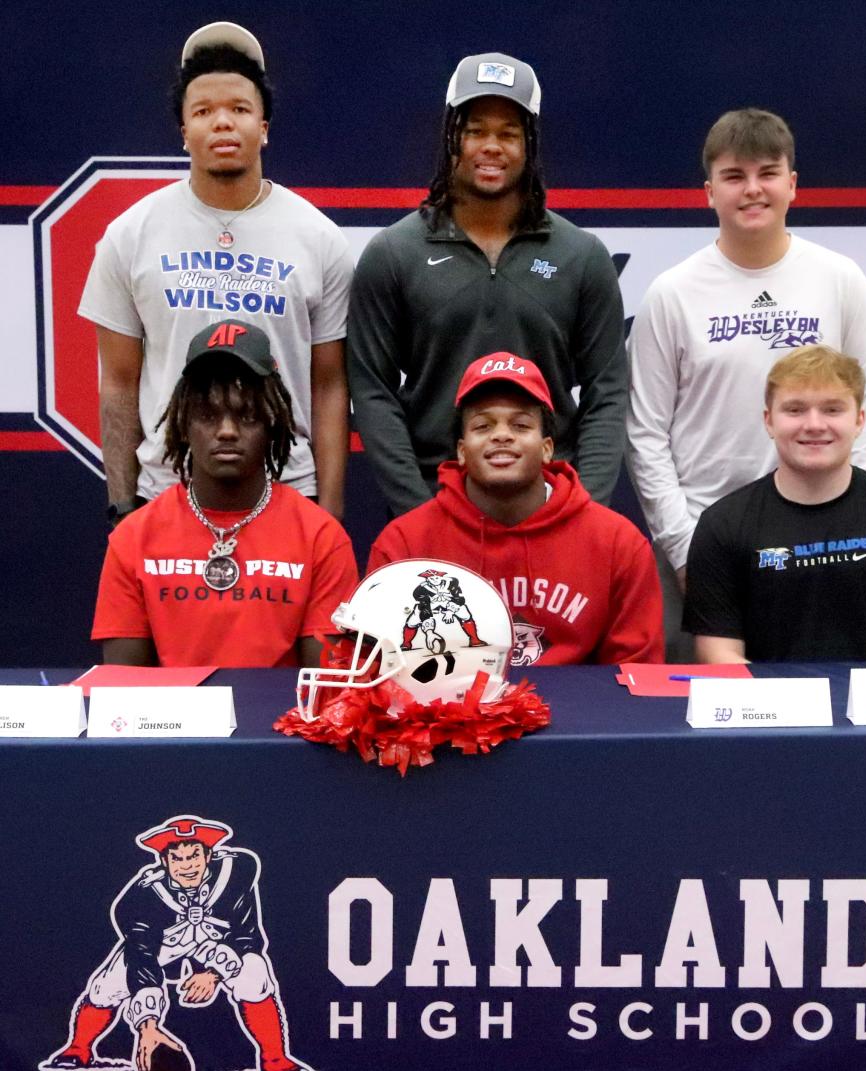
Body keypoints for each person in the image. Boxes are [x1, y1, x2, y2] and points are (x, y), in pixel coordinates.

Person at [625, 108, 866, 659]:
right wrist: (683, 549)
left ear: (792, 184)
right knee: (702, 723)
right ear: (709, 191)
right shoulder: (671, 293)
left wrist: (852, 526)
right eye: (734, 176)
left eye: (768, 173)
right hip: (705, 541)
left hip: (826, 542)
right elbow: (645, 433)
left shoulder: (840, 279)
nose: (753, 190)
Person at [80, 21, 353, 524]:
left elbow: (330, 386)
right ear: (184, 132)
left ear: (264, 128)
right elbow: (118, 382)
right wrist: (123, 506)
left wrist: (329, 515)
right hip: (166, 497)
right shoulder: (130, 235)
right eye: (203, 112)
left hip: (288, 496)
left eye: (239, 109)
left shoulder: (319, 238)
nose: (222, 123)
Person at [348, 52, 628, 517]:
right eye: (475, 131)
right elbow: (372, 391)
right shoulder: (394, 253)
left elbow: (609, 391)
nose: (490, 146)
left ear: (530, 144)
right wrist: (419, 512)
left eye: (508, 134)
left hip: (553, 505)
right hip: (438, 501)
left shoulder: (581, 255)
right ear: (450, 138)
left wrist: (585, 511)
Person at [90, 319, 358, 667]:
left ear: (272, 424)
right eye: (208, 415)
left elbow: (322, 689)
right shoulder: (133, 538)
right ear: (183, 425)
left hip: (279, 721)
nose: (227, 431)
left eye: (247, 416)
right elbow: (125, 687)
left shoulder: (321, 538)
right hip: (171, 722)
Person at [368, 352, 663, 666]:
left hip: (582, 711)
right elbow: (377, 669)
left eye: (521, 425)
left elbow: (636, 677)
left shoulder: (618, 543)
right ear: (462, 451)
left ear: (547, 448)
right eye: (482, 426)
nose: (501, 435)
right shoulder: (404, 545)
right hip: (450, 710)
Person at [683, 346, 866, 663]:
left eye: (832, 409)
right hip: (770, 711)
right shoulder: (722, 527)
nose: (814, 425)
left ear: (859, 420)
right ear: (769, 421)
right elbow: (721, 659)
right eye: (795, 410)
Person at [43, 816, 318, 1071]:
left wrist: (213, 974)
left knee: (256, 972)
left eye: (194, 856)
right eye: (178, 859)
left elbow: (246, 937)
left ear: (209, 856)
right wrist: (148, 1026)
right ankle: (78, 1049)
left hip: (216, 943)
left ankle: (276, 1060)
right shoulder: (140, 899)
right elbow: (142, 958)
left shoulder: (237, 875)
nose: (187, 866)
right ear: (164, 861)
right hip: (164, 943)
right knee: (105, 987)